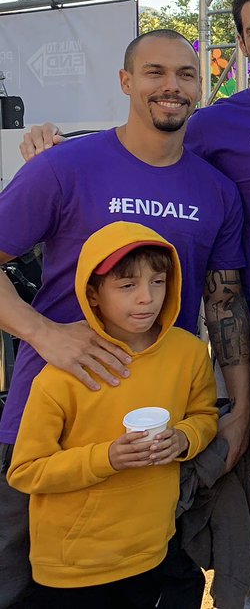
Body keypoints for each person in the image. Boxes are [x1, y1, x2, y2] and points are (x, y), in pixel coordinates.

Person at [0, 29, 247, 609]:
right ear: (126, 81)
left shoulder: (215, 191)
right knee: (18, 582)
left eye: (186, 75)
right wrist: (43, 333)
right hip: (52, 419)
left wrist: (236, 412)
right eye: (155, 72)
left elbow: (225, 304)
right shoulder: (64, 166)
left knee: (151, 581)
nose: (172, 86)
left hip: (156, 436)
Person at [7, 222, 219, 609]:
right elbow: (26, 470)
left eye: (158, 281)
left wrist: (185, 437)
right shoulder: (63, 373)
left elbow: (205, 414)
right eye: (127, 286)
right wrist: (108, 458)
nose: (146, 299)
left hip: (151, 549)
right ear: (94, 293)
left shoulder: (188, 353)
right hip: (73, 566)